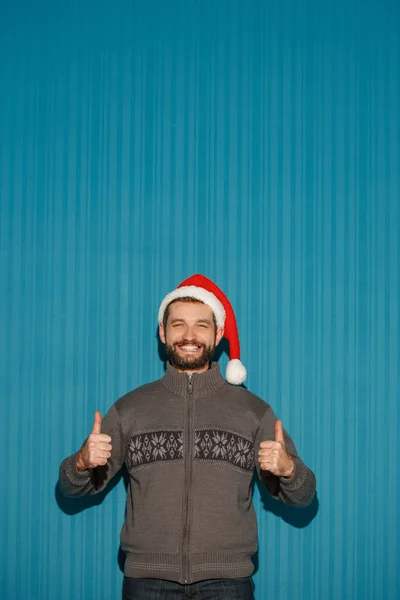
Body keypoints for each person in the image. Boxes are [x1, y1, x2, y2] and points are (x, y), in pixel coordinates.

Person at [59, 274, 316, 600]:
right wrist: (81, 463)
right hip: (146, 582)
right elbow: (68, 488)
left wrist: (290, 471)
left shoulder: (253, 411)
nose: (190, 335)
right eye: (178, 324)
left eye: (202, 326)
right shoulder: (129, 409)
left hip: (228, 583)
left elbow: (305, 495)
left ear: (219, 334)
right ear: (163, 332)